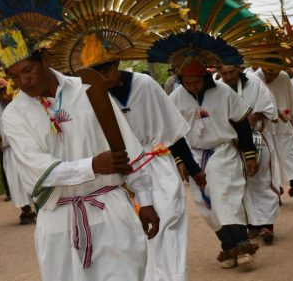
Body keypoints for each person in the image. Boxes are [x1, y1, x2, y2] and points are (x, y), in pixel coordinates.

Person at [1, 29, 160, 281]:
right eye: (14, 76)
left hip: (110, 209)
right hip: (59, 221)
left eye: (28, 70)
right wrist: (92, 166)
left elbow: (126, 145)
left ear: (46, 60)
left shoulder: (88, 89)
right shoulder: (13, 115)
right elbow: (37, 169)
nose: (23, 82)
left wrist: (146, 199)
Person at [90, 53, 199, 281]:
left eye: (106, 69)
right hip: (122, 173)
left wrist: (193, 168)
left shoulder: (145, 84)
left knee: (168, 226)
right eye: (96, 72)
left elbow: (173, 129)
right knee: (136, 238)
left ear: (117, 63)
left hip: (157, 166)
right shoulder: (92, 96)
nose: (103, 77)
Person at [169, 55, 259, 268]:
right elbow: (172, 134)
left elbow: (242, 125)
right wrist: (180, 160)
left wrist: (250, 154)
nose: (192, 87)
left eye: (196, 82)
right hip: (195, 155)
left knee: (225, 196)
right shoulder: (175, 98)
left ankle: (242, 245)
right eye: (187, 82)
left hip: (222, 152)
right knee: (205, 205)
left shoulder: (223, 91)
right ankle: (229, 247)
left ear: (205, 77)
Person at [218, 65, 280, 244]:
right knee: (240, 184)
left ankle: (267, 224)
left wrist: (254, 117)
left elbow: (270, 108)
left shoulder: (253, 83)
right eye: (224, 73)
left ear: (238, 69)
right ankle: (252, 225)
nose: (228, 76)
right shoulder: (217, 88)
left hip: (256, 138)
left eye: (231, 72)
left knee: (260, 180)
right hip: (230, 144)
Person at [253, 66, 293, 202]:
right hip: (263, 125)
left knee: (289, 152)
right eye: (268, 72)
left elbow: (291, 98)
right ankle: (275, 188)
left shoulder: (283, 77)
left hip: (283, 122)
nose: (271, 77)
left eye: (274, 73)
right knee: (268, 157)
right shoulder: (253, 78)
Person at [0, 79, 36, 224]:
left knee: (31, 176)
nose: (4, 95)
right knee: (16, 180)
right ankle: (26, 210)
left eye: (5, 91)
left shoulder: (22, 104)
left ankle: (40, 204)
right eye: (0, 93)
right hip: (9, 151)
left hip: (26, 148)